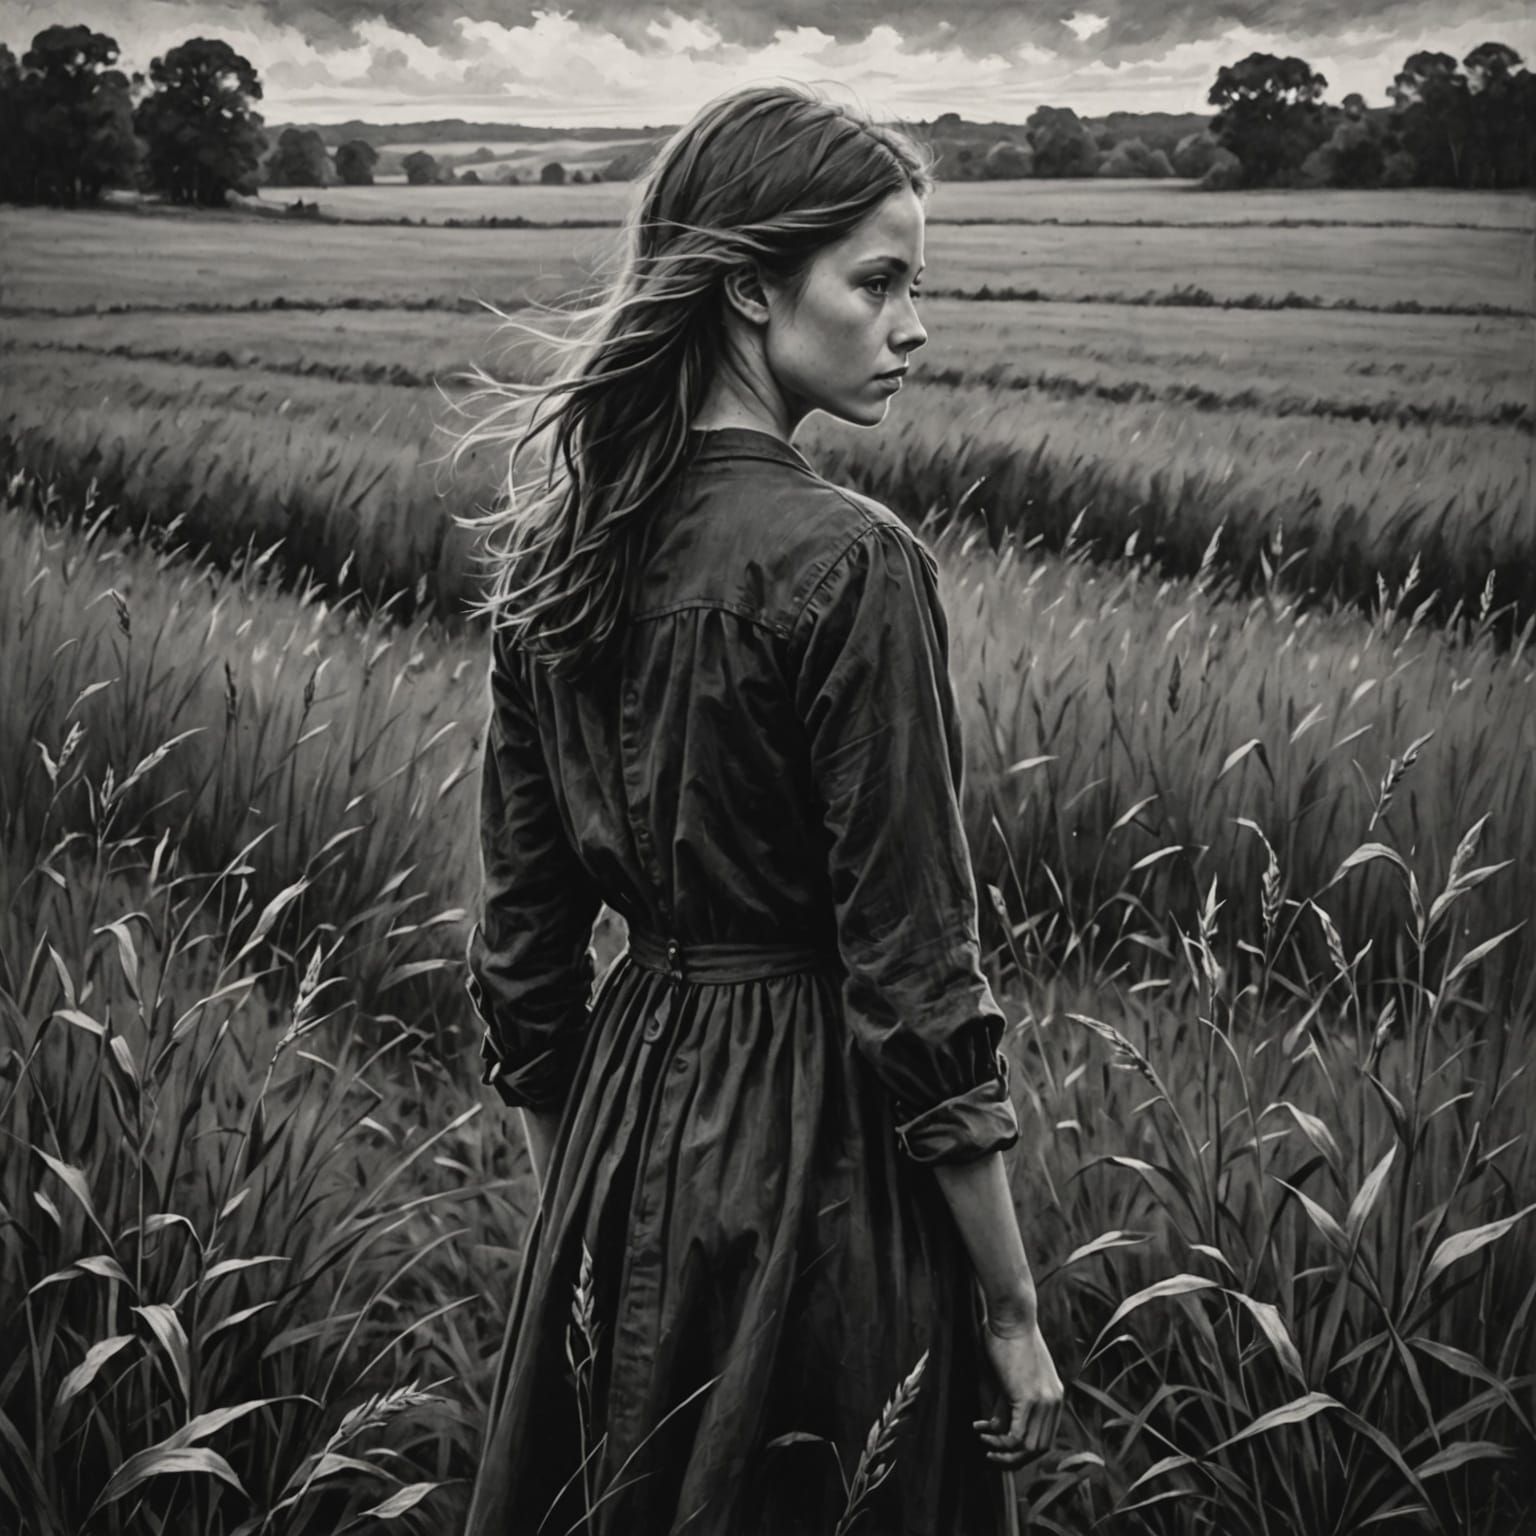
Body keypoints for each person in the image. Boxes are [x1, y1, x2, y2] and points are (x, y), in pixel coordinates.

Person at [448, 81, 1064, 1536]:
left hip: (619, 1125)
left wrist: (585, 1220)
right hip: (819, 1157)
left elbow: (524, 960)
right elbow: (913, 974)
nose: (914, 326)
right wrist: (1015, 1302)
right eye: (881, 282)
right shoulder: (853, 566)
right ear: (746, 288)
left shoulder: (563, 555)